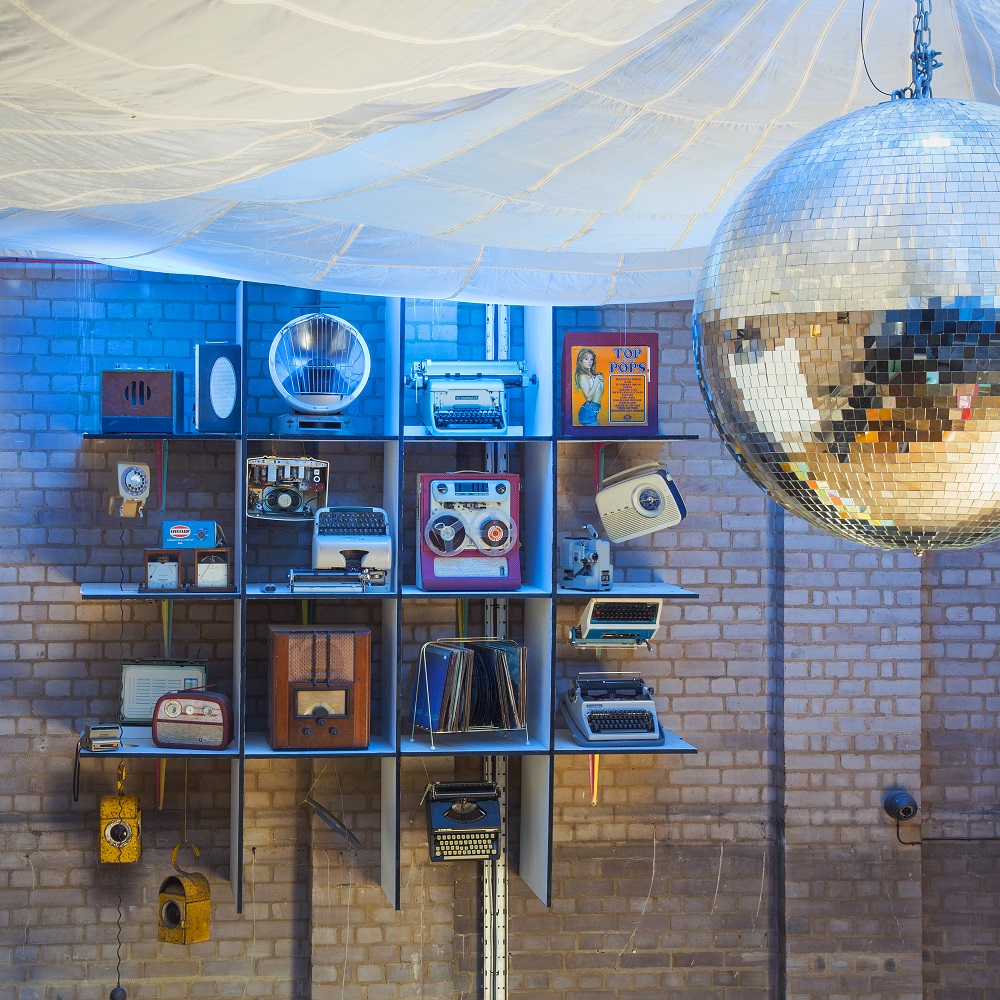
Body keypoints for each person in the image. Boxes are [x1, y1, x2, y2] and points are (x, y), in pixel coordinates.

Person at [574, 348, 604, 425]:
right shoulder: (583, 376)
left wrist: (601, 380)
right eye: (586, 359)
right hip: (588, 413)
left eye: (591, 359)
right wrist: (596, 383)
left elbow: (599, 393)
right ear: (580, 361)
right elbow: (588, 398)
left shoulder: (593, 375)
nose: (590, 361)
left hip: (594, 410)